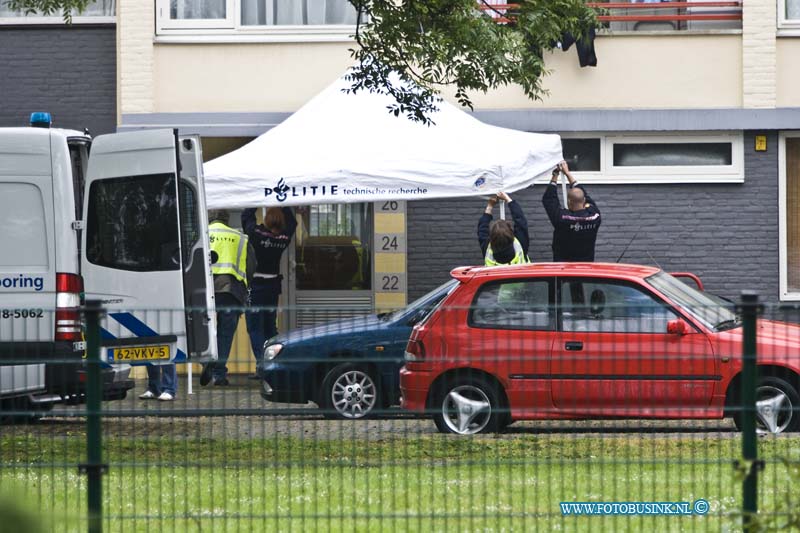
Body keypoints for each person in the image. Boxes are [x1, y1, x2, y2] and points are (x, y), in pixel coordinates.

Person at [201, 210, 256, 386]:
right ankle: (219, 374)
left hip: (203, 290)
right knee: (225, 333)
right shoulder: (240, 237)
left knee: (200, 330)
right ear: (226, 219)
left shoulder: (201, 235)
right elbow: (251, 265)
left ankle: (206, 360)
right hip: (231, 291)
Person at [241, 206, 297, 378]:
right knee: (269, 326)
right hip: (272, 287)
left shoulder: (256, 234)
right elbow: (293, 222)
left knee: (254, 327)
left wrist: (258, 196)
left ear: (266, 220)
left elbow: (246, 216)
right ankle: (274, 363)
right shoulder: (283, 238)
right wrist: (282, 202)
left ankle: (262, 364)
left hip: (255, 286)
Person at [542, 161, 601, 262]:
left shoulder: (561, 219)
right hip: (586, 268)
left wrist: (555, 175)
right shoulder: (595, 216)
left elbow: (549, 199)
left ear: (569, 202)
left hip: (563, 269)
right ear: (583, 201)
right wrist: (568, 173)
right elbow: (584, 195)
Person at [478, 191, 530, 266]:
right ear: (510, 233)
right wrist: (508, 199)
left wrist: (490, 206)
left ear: (491, 236)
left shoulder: (487, 248)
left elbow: (482, 229)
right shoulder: (520, 244)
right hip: (521, 278)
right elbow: (521, 221)